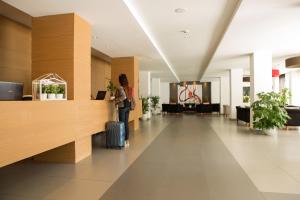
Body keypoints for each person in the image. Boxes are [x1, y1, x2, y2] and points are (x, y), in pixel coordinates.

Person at [115, 74, 135, 148]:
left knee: (122, 124)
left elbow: (123, 97)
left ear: (120, 80)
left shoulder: (120, 87)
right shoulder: (128, 87)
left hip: (122, 107)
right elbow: (130, 97)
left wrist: (116, 100)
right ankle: (127, 141)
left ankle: (122, 141)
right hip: (128, 107)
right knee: (126, 124)